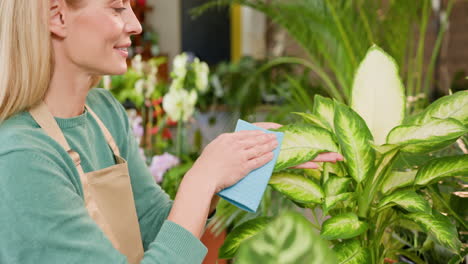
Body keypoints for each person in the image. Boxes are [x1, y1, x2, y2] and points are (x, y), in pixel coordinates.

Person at [0, 0, 343, 263]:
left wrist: (242, 162)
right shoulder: (21, 157)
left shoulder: (104, 113)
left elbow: (151, 227)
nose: (134, 25)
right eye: (117, 7)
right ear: (57, 16)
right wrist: (201, 178)